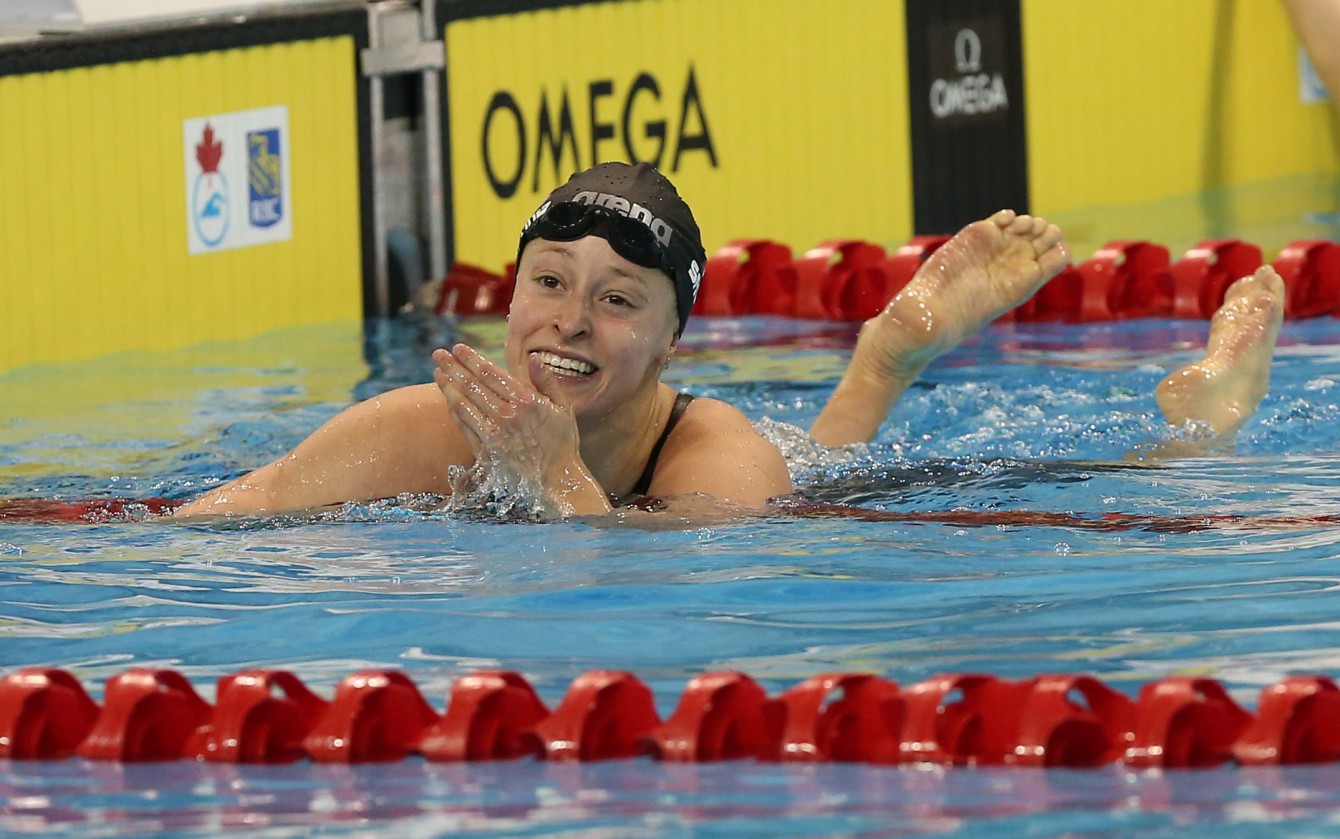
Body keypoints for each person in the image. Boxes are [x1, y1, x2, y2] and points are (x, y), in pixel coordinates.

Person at [171, 162, 1285, 520]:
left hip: (745, 492)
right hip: (696, 473)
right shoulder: (418, 427)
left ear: (669, 340)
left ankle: (1201, 414)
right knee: (819, 453)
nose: (565, 317)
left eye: (616, 300)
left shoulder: (721, 462)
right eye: (546, 283)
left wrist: (555, 473)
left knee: (844, 483)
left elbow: (638, 609)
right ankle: (884, 352)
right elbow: (203, 526)